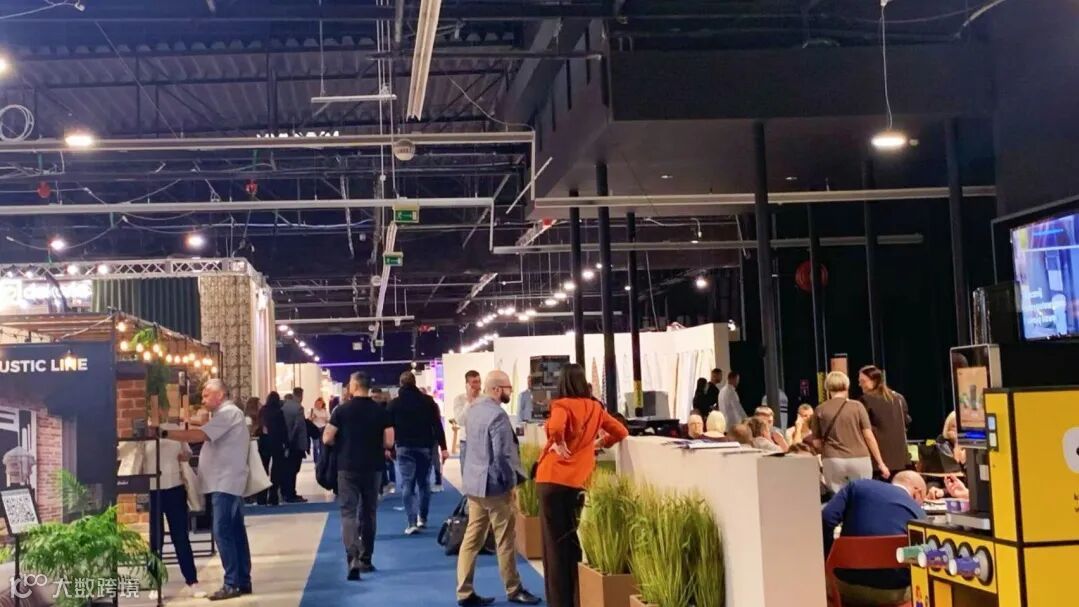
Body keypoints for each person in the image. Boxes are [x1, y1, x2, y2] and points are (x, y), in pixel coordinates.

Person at [536, 363, 629, 607]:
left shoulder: (562, 405)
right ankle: (576, 599)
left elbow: (556, 426)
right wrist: (599, 444)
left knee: (553, 547)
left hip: (552, 479)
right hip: (578, 483)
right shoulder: (596, 408)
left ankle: (559, 602)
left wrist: (558, 441)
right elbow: (621, 431)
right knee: (572, 543)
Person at [156, 379, 252, 601]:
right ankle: (242, 580)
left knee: (223, 531)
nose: (203, 398)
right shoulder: (223, 415)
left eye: (207, 394)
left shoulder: (228, 414)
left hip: (225, 483)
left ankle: (232, 583)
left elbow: (199, 436)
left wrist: (165, 433)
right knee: (235, 531)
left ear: (220, 395)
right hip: (223, 482)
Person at [456, 370, 542, 606]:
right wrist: (510, 483)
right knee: (505, 539)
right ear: (496, 389)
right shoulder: (497, 416)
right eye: (507, 388)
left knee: (472, 538)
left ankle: (464, 591)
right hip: (495, 488)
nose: (510, 392)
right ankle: (513, 589)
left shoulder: (473, 409)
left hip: (474, 485)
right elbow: (502, 456)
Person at [323, 372, 394, 580]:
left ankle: (352, 557)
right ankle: (366, 558)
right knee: (369, 513)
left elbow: (327, 438)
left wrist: (341, 443)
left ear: (354, 385)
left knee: (348, 513)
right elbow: (389, 442)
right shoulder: (381, 411)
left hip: (347, 466)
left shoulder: (341, 410)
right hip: (373, 467)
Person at [822, 472, 928, 605]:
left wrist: (830, 556)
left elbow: (826, 518)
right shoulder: (919, 513)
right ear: (917, 492)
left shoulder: (858, 486)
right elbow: (920, 556)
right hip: (892, 594)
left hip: (843, 587)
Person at [388, 371, 448, 534]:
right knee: (424, 483)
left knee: (407, 483)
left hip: (404, 447)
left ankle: (411, 522)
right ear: (415, 383)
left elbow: (389, 428)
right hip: (425, 447)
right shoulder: (428, 402)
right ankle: (423, 518)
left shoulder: (394, 404)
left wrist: (389, 448)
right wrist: (443, 447)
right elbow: (437, 425)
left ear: (401, 384)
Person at [811, 372, 890, 494]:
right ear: (847, 385)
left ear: (827, 387)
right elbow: (869, 436)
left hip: (833, 459)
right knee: (862, 495)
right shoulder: (857, 406)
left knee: (839, 497)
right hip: (860, 458)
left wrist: (827, 451)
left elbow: (816, 443)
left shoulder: (820, 409)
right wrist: (880, 463)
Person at [146, 421, 201, 598]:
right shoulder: (144, 431)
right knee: (156, 538)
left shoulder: (174, 429)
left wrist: (184, 456)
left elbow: (187, 452)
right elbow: (129, 454)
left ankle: (192, 581)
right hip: (153, 489)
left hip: (175, 487)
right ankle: (155, 583)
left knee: (181, 537)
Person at [858, 365, 911, 477]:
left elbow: (864, 429)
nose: (860, 384)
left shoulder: (865, 400)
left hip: (879, 460)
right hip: (901, 458)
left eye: (863, 381)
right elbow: (907, 422)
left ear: (874, 381)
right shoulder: (899, 398)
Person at [256, 392, 289, 506]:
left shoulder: (263, 411)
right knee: (276, 471)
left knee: (263, 469)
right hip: (276, 443)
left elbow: (259, 426)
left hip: (264, 442)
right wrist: (286, 444)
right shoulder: (278, 412)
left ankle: (261, 497)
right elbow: (283, 429)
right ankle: (273, 496)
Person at [281, 389, 309, 503]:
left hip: (285, 441)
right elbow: (298, 426)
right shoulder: (298, 408)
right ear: (301, 396)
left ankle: (286, 492)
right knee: (293, 469)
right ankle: (291, 493)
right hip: (295, 444)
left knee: (287, 469)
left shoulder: (284, 406)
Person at [452, 370, 482, 461]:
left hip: (482, 442)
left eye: (479, 381)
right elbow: (460, 421)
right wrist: (469, 401)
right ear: (467, 385)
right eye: (474, 382)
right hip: (466, 442)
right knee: (466, 469)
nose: (478, 385)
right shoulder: (459, 399)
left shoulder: (485, 399)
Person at [309, 397, 331, 463]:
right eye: (317, 403)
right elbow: (308, 420)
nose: (318, 405)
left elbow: (329, 420)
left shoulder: (325, 411)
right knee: (316, 445)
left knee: (323, 445)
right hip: (315, 429)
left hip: (323, 428)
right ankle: (316, 461)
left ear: (322, 404)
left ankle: (322, 460)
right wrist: (313, 417)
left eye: (320, 403)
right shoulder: (311, 410)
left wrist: (324, 419)